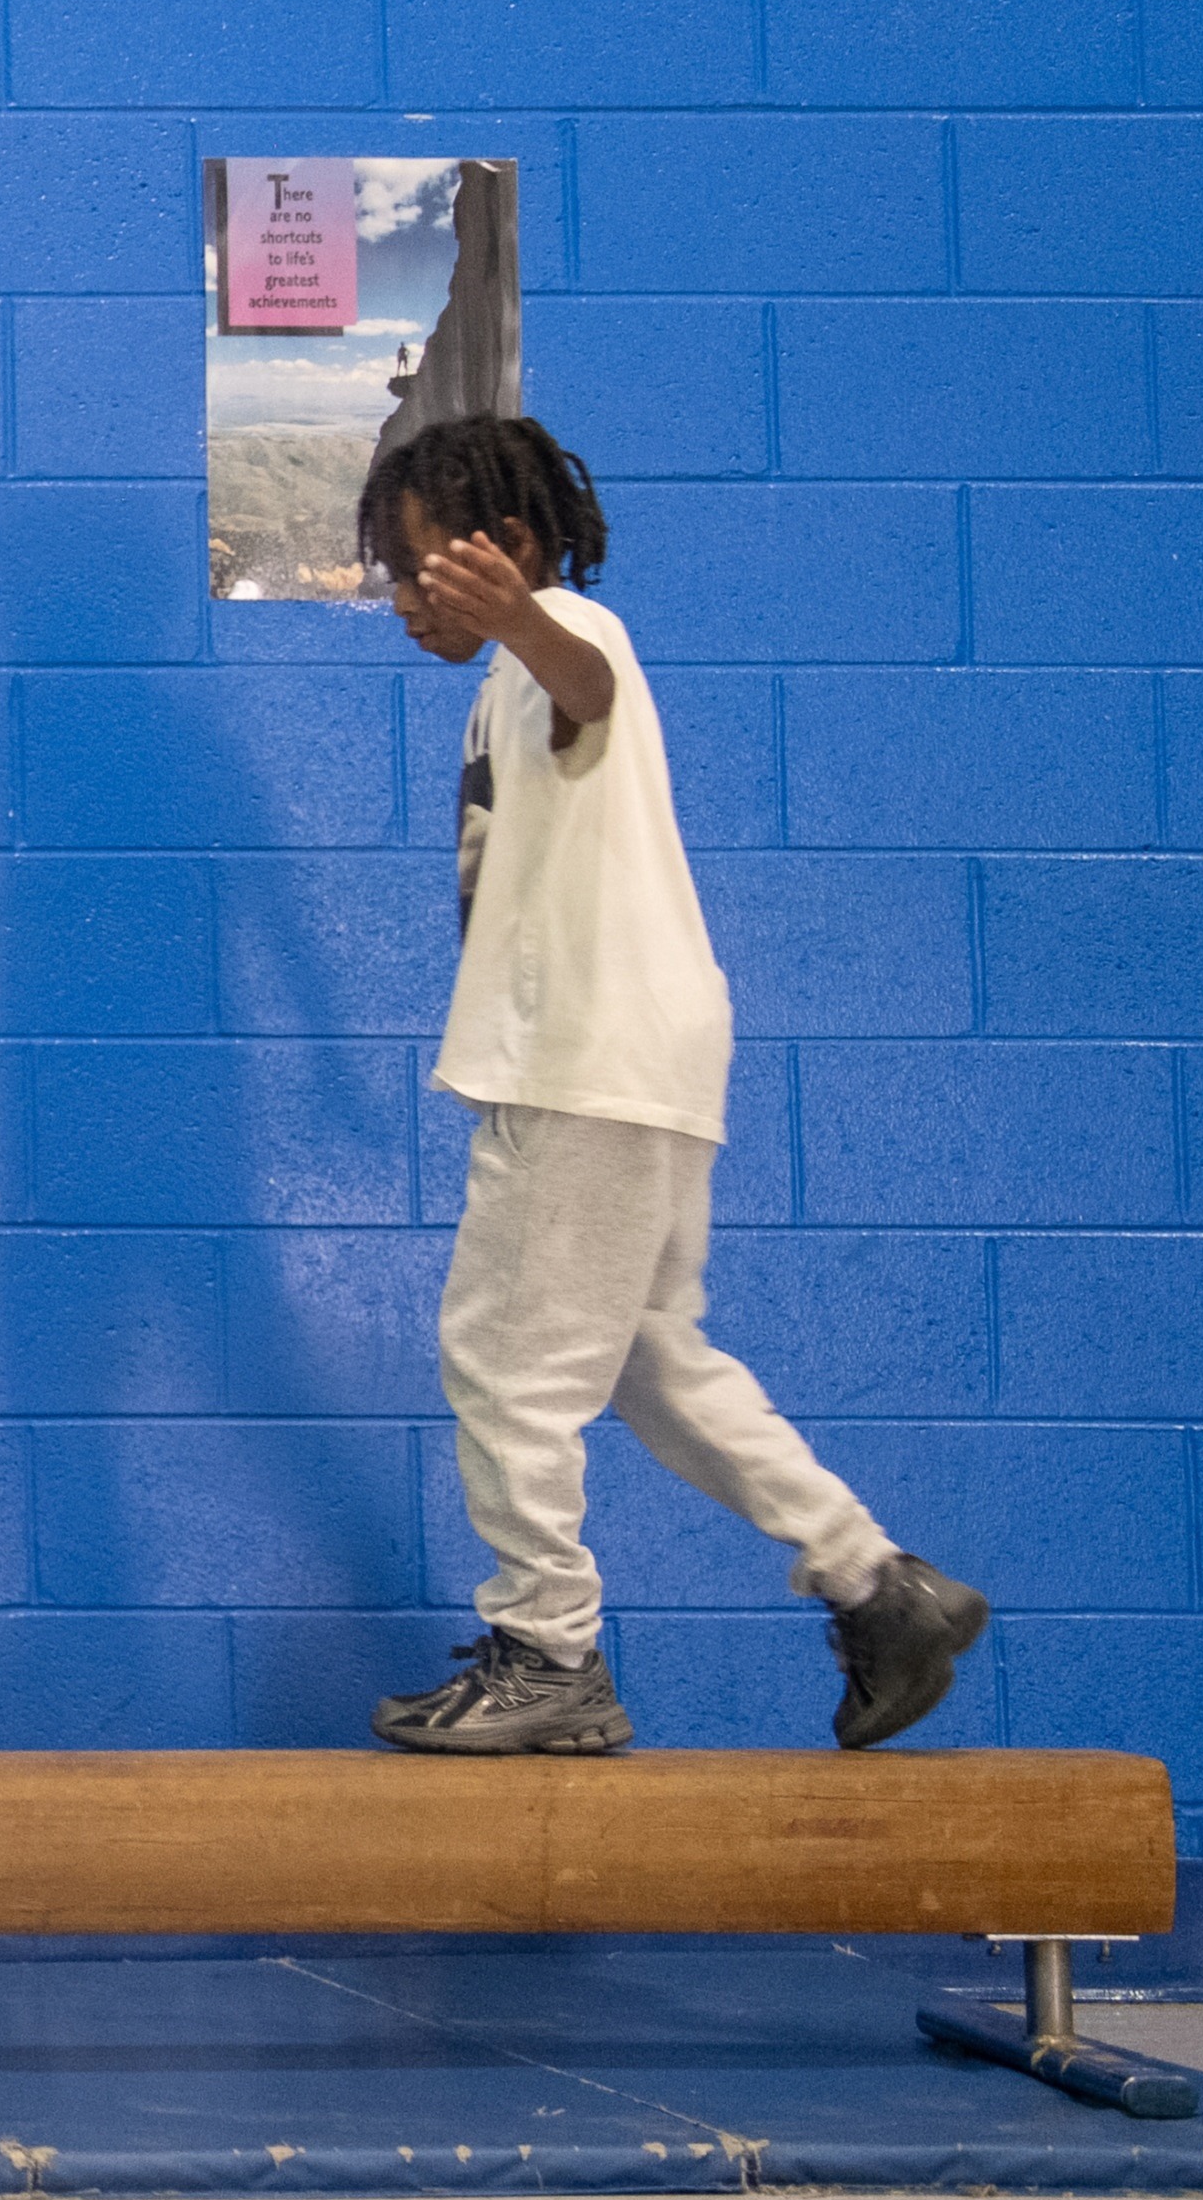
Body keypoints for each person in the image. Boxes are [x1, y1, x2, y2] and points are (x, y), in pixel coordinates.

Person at [360, 412, 980, 1759]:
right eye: (392, 575)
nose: (402, 598)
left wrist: (520, 618)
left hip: (580, 1058)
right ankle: (876, 1586)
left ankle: (546, 1653)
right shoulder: (508, 672)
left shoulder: (570, 638)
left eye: (420, 569)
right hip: (643, 1055)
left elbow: (582, 675)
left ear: (509, 548)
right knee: (645, 1358)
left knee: (501, 1362)